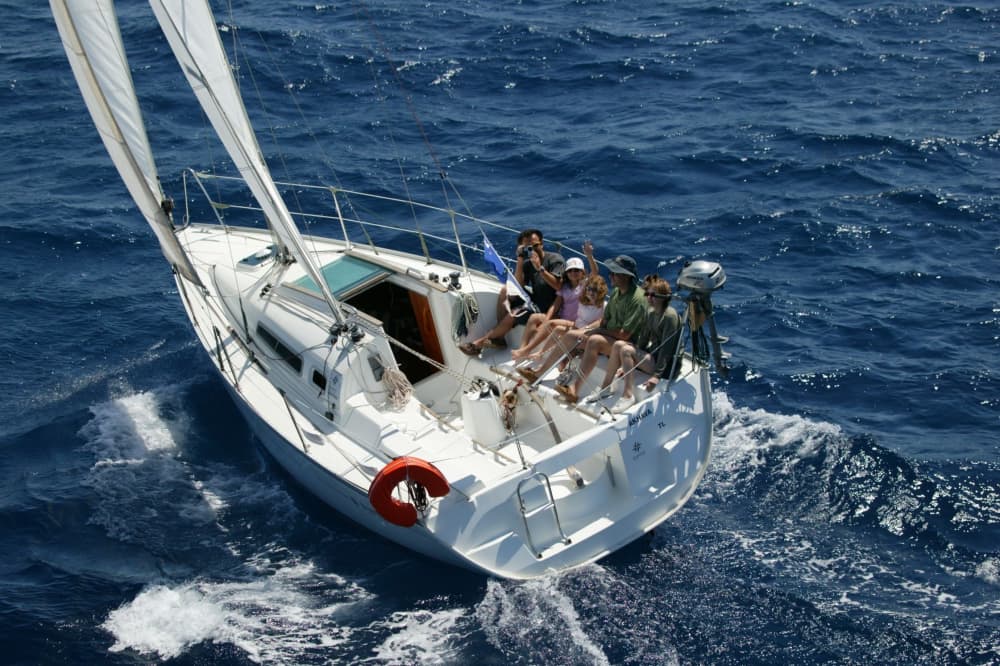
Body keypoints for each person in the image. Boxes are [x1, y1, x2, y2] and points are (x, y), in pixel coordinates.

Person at [518, 254, 647, 403]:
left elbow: (625, 335)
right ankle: (539, 372)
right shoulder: (617, 292)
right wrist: (588, 329)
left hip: (625, 345)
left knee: (595, 340)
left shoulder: (637, 299)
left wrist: (598, 331)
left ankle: (574, 389)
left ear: (625, 276)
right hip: (610, 337)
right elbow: (604, 320)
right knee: (571, 335)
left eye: (614, 273)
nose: (610, 275)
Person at [584, 276, 682, 412]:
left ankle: (628, 395)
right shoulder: (651, 313)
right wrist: (631, 364)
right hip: (653, 357)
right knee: (619, 345)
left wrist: (656, 376)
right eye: (648, 294)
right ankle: (606, 388)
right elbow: (643, 341)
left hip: (667, 366)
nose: (649, 298)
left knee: (626, 351)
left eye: (653, 295)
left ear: (664, 297)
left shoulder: (669, 316)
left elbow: (667, 350)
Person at [460, 229, 565, 355]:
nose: (533, 249)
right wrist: (520, 260)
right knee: (506, 289)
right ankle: (499, 336)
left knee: (515, 313)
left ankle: (479, 342)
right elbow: (518, 286)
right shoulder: (527, 263)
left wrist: (540, 269)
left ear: (542, 244)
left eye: (535, 245)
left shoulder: (555, 260)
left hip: (552, 307)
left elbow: (559, 287)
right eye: (528, 247)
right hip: (536, 300)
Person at [513, 272, 607, 362]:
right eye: (589, 289)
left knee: (559, 330)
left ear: (601, 291)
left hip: (584, 331)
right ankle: (535, 352)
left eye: (595, 290)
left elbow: (599, 322)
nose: (591, 292)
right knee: (553, 325)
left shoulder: (602, 306)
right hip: (576, 324)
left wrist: (590, 257)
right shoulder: (584, 298)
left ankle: (531, 352)